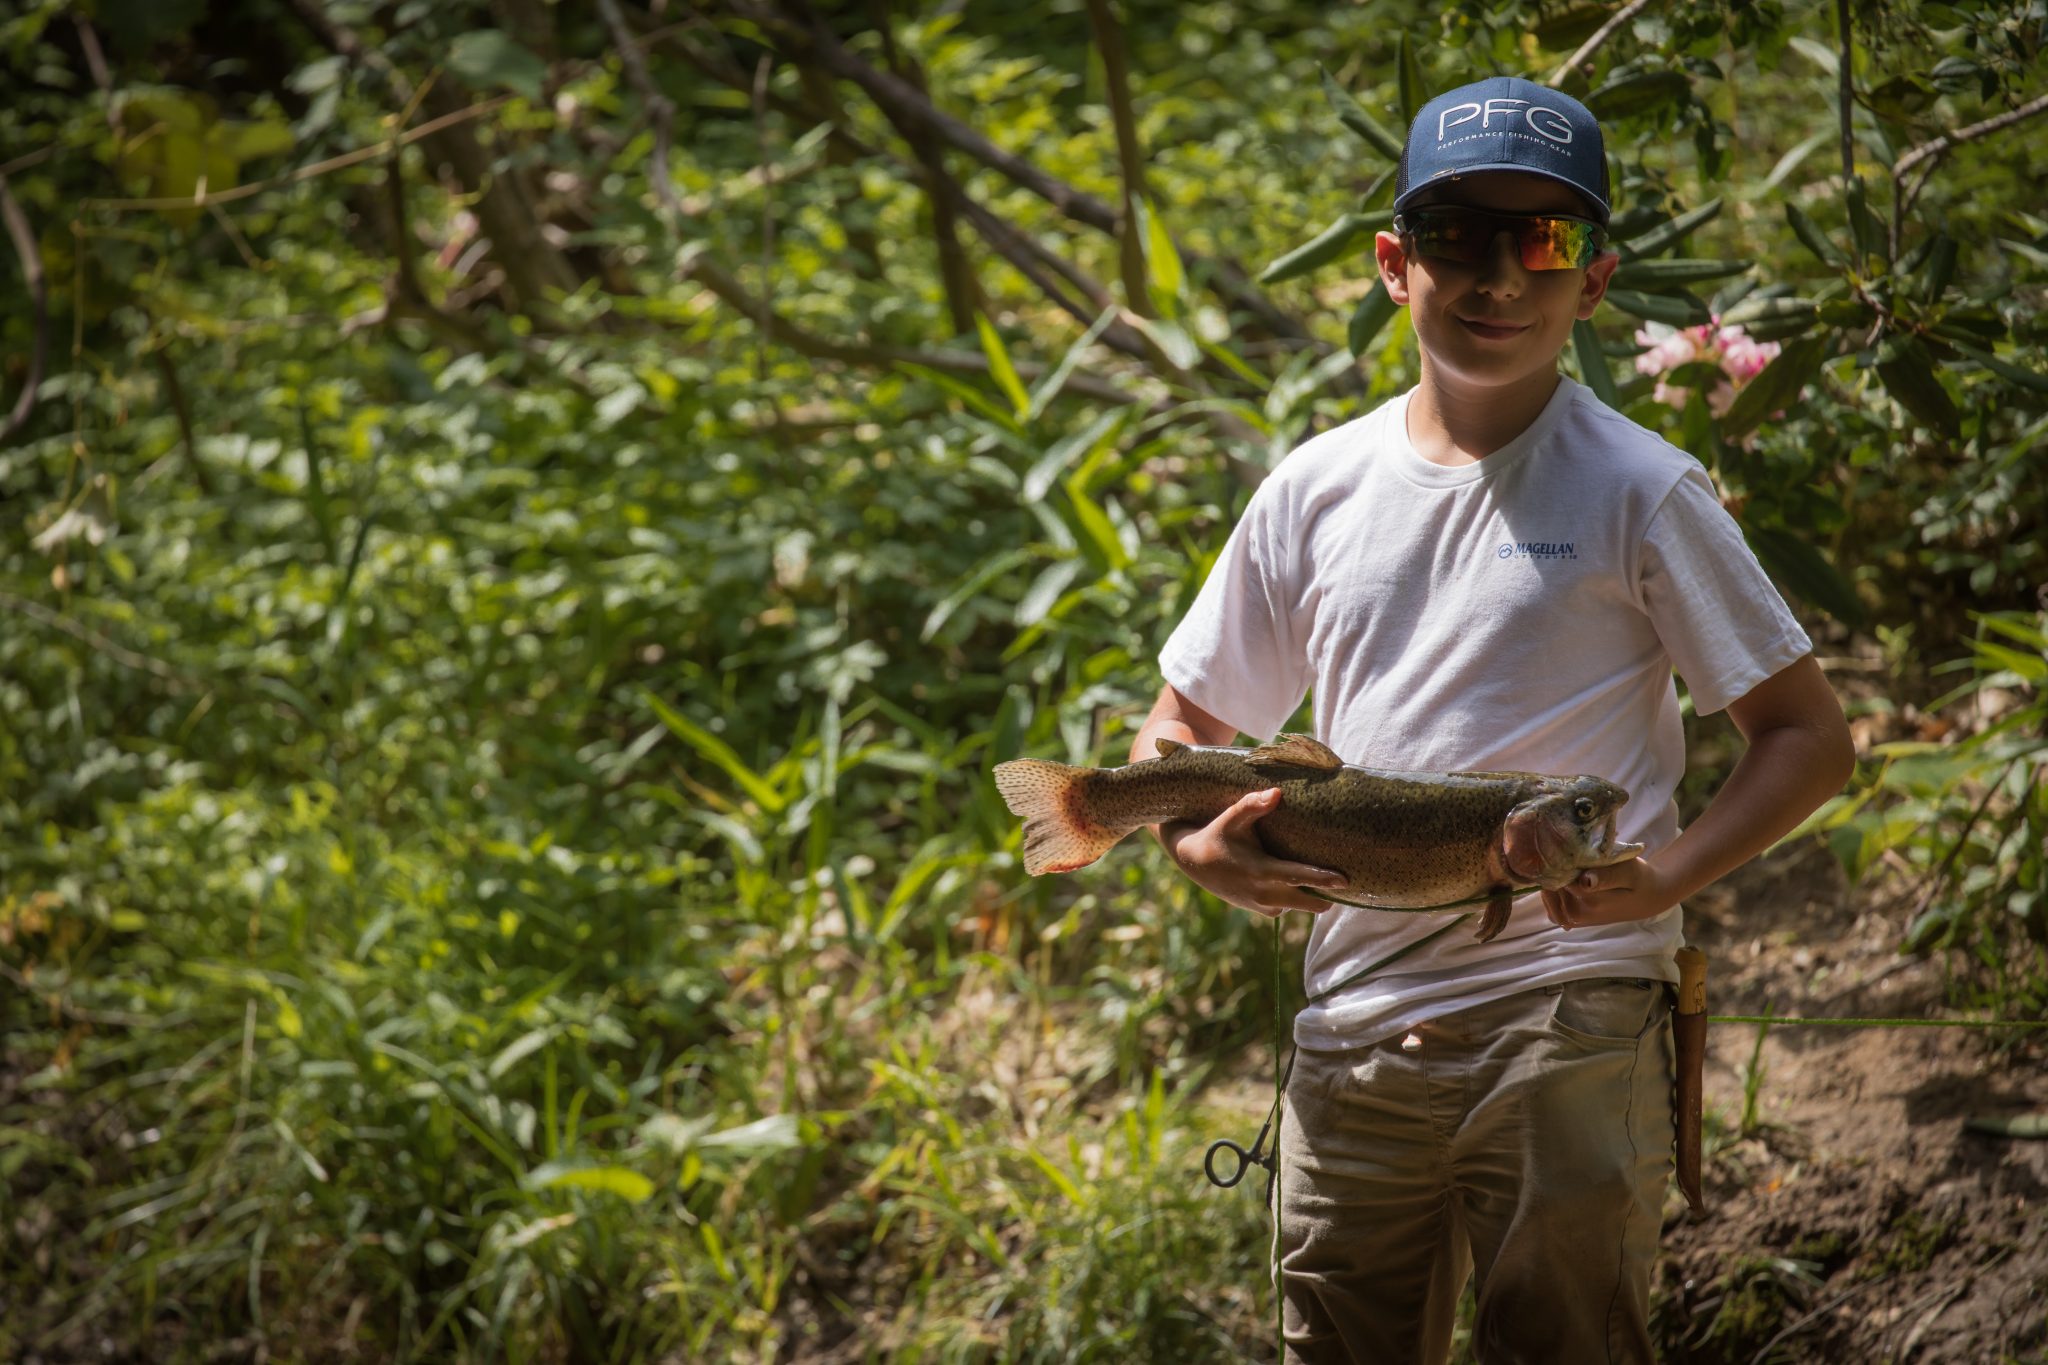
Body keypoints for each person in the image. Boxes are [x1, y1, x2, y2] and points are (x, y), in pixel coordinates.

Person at [1127, 76, 1855, 1364]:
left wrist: (1659, 881)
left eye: (1545, 240)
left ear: (1596, 278)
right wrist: (1200, 851)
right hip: (1351, 1032)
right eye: (1460, 236)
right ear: (1395, 265)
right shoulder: (1315, 488)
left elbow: (1806, 735)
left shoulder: (1644, 488)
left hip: (1569, 1013)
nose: (1501, 274)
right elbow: (1177, 729)